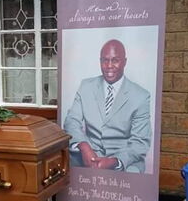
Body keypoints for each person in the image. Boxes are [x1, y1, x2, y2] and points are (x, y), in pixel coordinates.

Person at [64, 39, 152, 173]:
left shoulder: (140, 96)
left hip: (124, 161)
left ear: (125, 62)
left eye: (115, 60)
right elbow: (71, 121)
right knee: (62, 162)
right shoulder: (86, 87)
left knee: (133, 173)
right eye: (105, 60)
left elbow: (140, 142)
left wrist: (115, 161)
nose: (109, 65)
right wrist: (84, 146)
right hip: (89, 155)